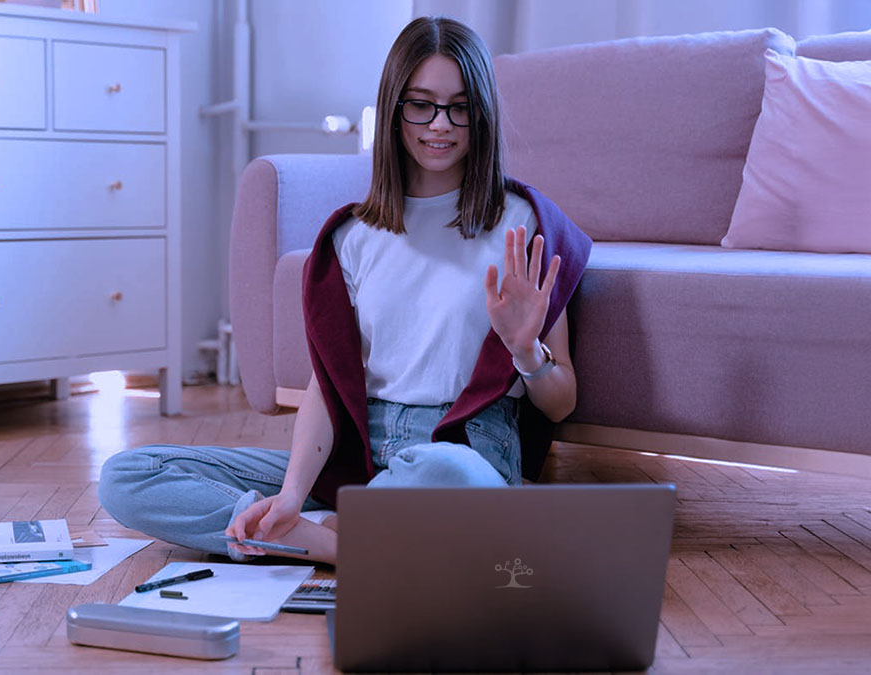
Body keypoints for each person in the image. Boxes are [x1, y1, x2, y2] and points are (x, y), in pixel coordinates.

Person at [98, 16, 591, 566]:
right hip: (359, 452)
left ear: (482, 112)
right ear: (393, 108)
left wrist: (527, 352)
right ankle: (315, 531)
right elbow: (328, 387)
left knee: (447, 472)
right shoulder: (356, 235)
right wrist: (289, 493)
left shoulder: (525, 224)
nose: (440, 125)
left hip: (465, 452)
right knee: (128, 475)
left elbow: (561, 399)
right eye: (421, 104)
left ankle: (319, 542)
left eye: (460, 107)